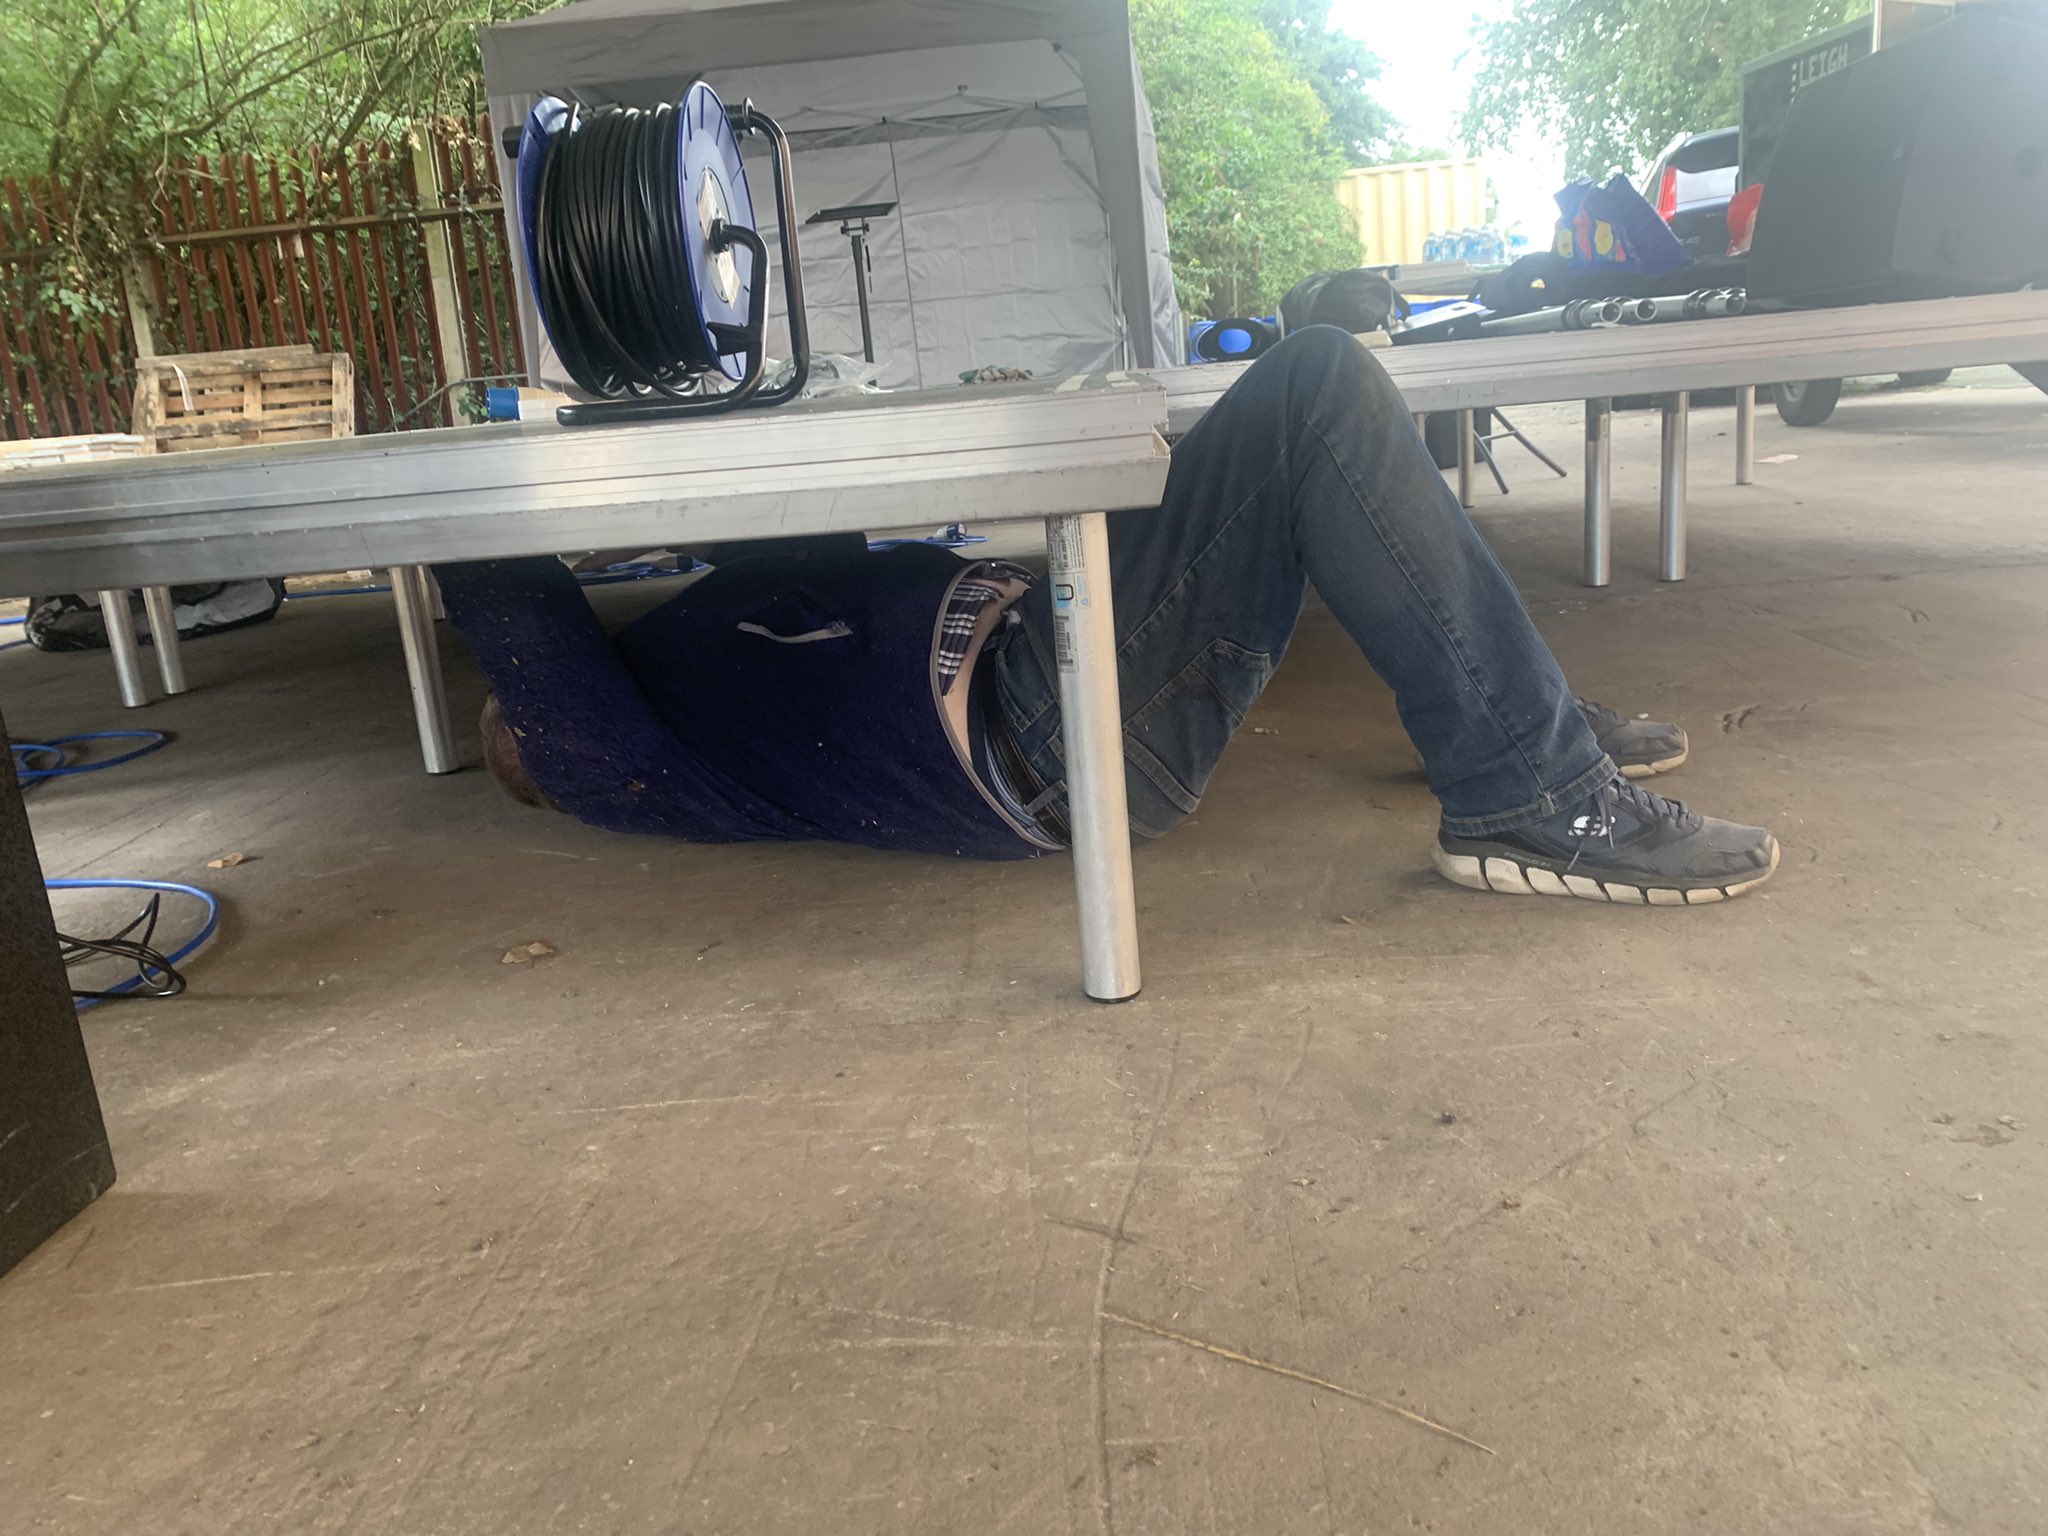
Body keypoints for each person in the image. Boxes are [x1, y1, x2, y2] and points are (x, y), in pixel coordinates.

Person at [440, 328, 1778, 906]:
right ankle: (1534, 795)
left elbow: (804, 532)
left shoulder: (701, 659)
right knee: (1314, 389)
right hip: (1041, 734)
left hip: (1053, 652)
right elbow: (516, 611)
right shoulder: (609, 768)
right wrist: (451, 446)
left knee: (1267, 441)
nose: (519, 719)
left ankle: (1506, 715)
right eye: (516, 727)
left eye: (514, 720)